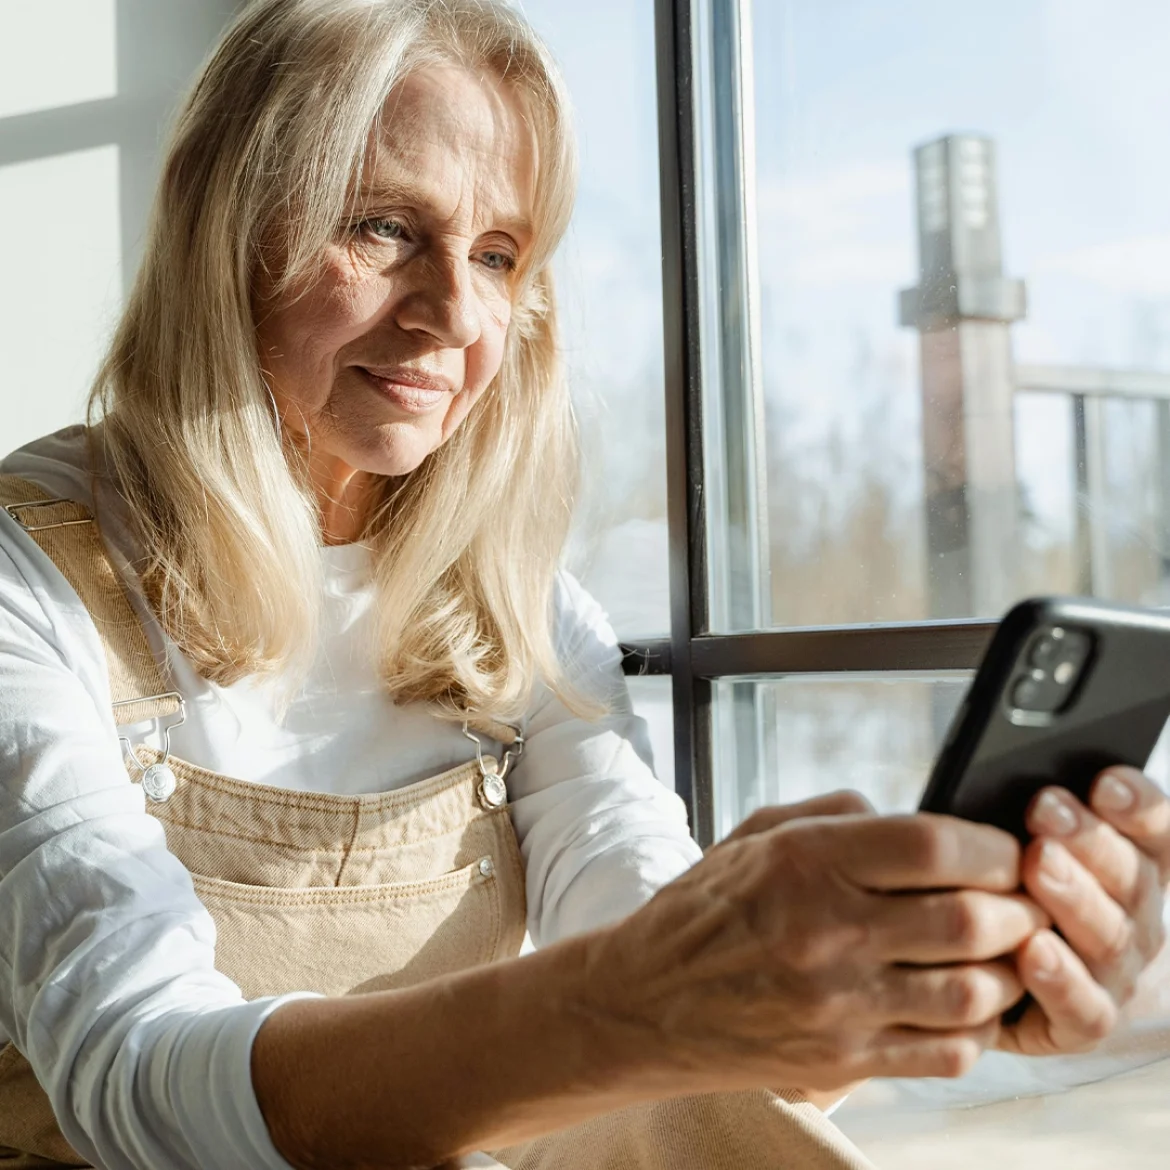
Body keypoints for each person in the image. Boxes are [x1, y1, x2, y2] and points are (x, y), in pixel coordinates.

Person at [0, 1, 1167, 1167]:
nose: (455, 313)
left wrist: (916, 982)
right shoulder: (30, 574)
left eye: (499, 255)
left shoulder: (521, 608)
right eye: (383, 228)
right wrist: (656, 991)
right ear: (226, 233)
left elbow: (663, 986)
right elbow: (135, 1085)